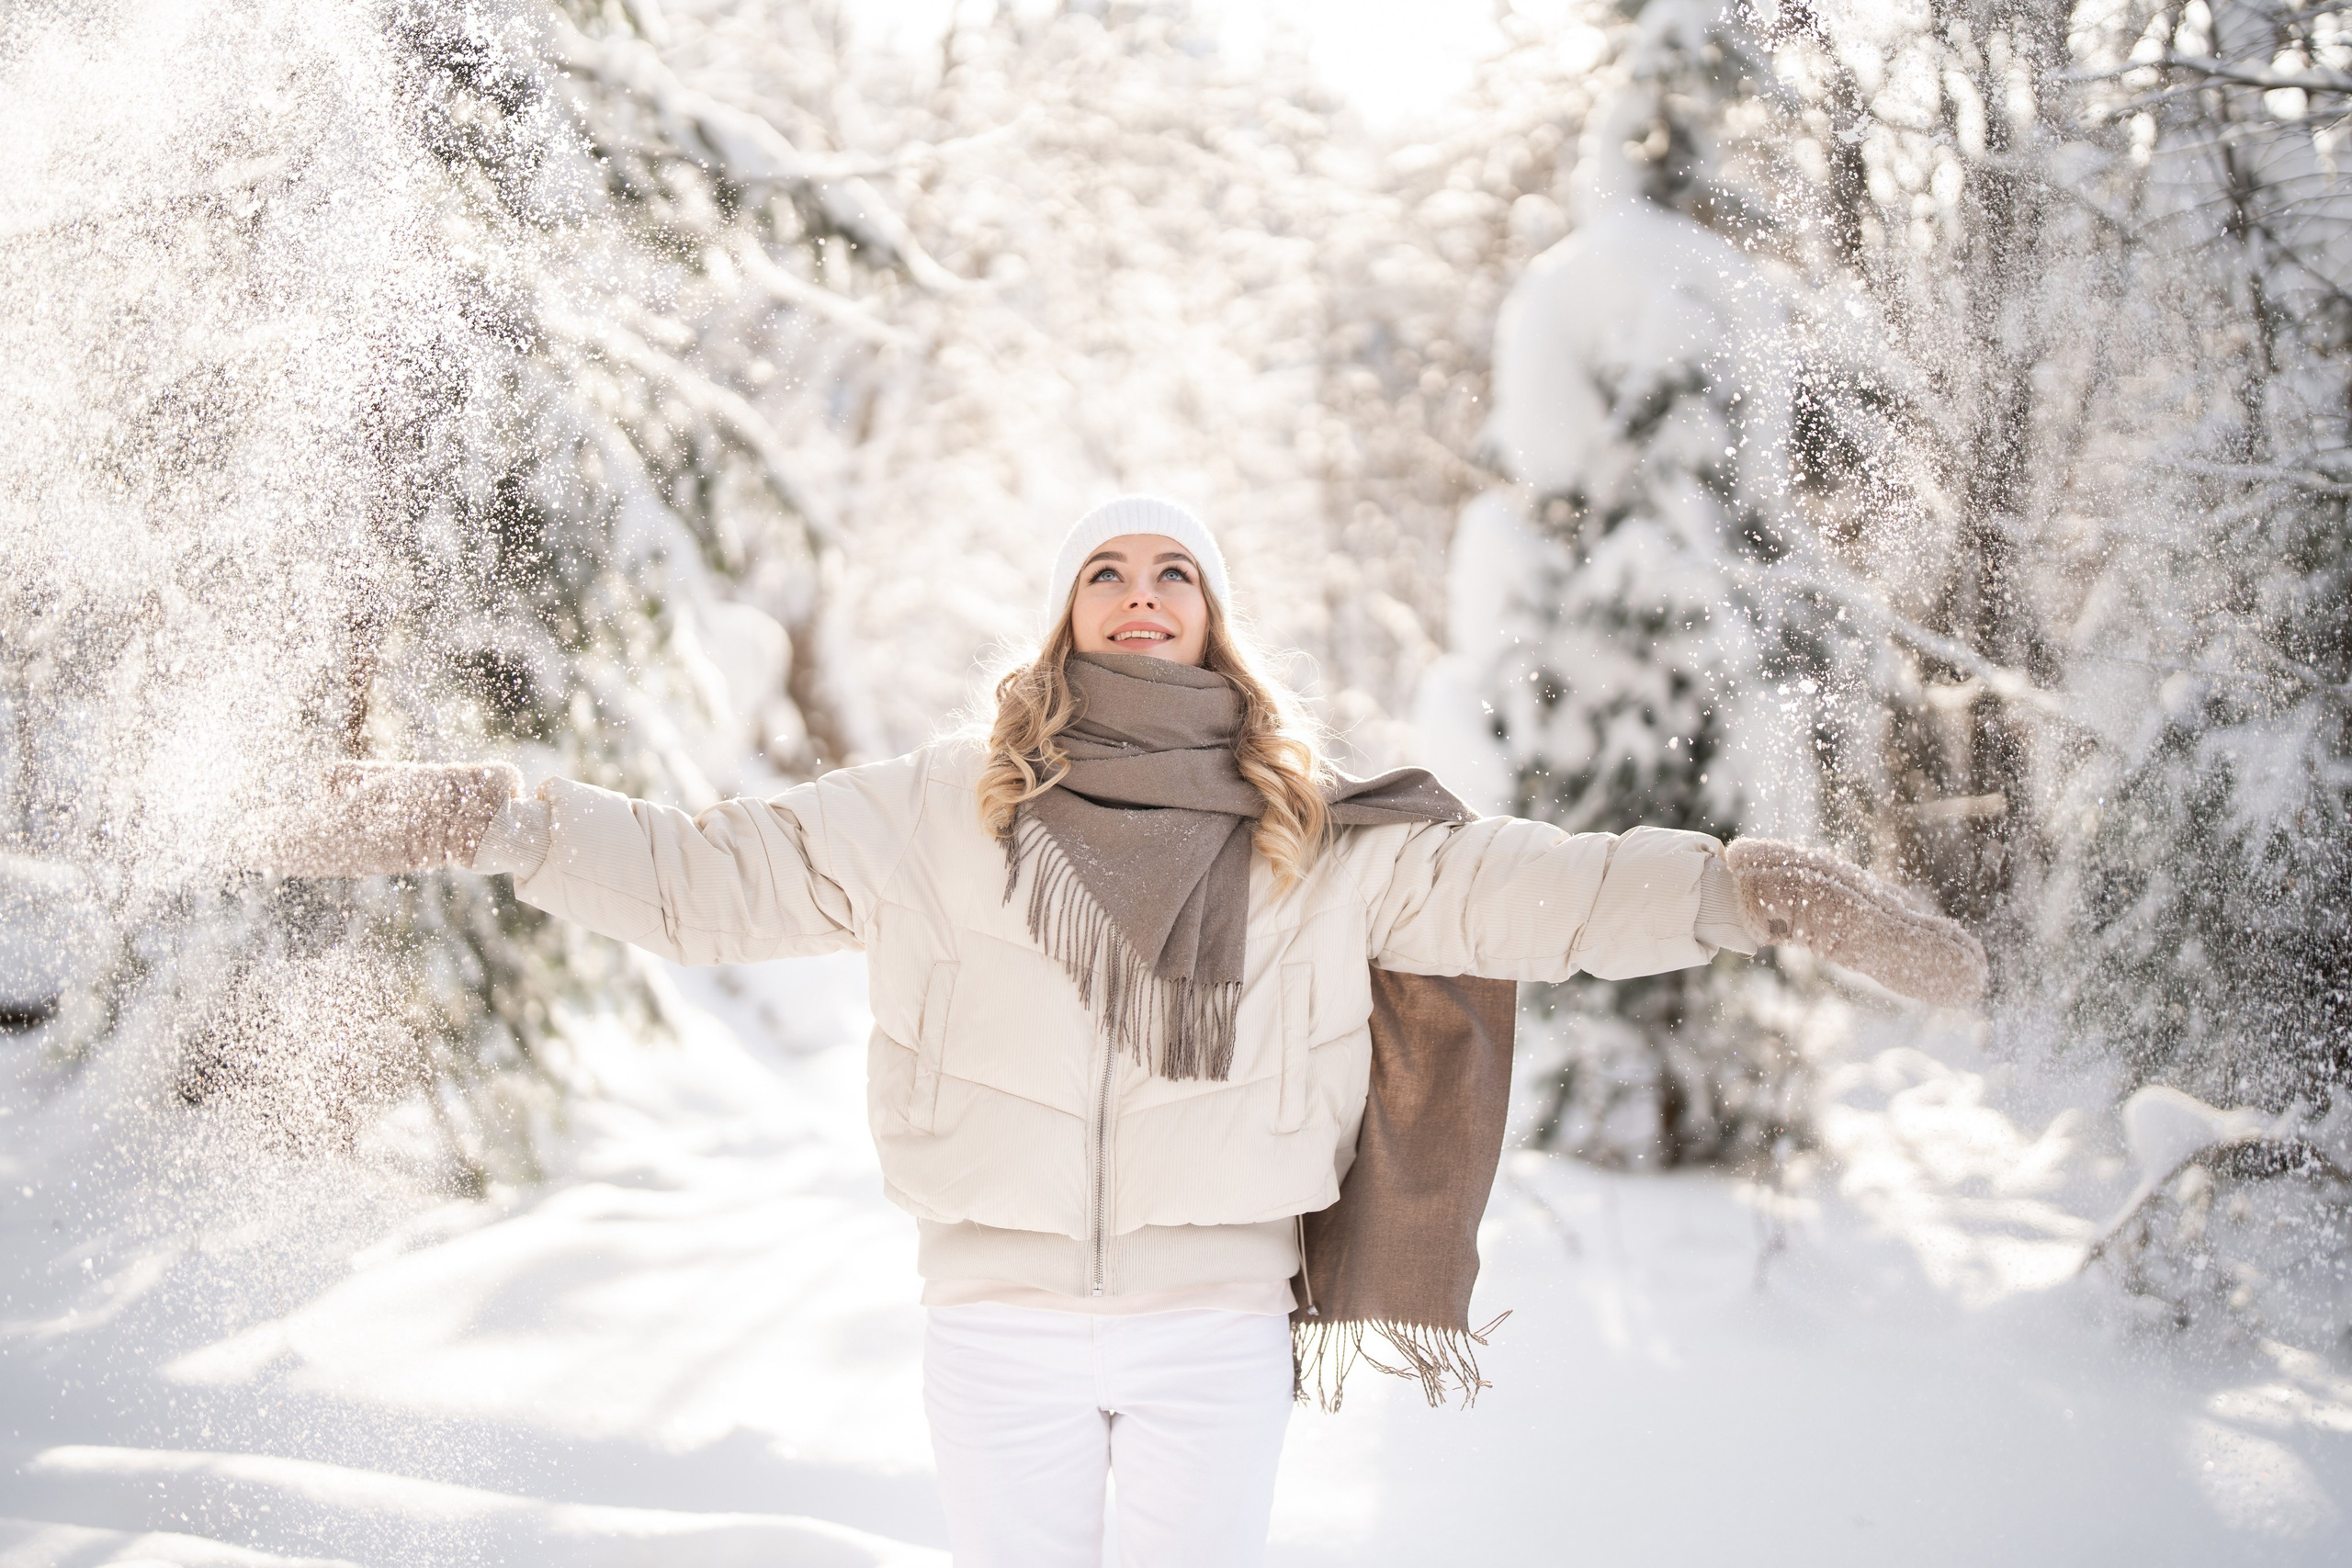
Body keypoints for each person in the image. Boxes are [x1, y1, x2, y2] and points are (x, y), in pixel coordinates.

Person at [275, 495, 1986, 1567]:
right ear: (1065, 613)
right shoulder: (940, 808)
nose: (1144, 593)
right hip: (996, 1313)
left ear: (1217, 619)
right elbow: (705, 882)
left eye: (1178, 572)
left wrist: (1739, 884)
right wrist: (498, 813)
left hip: (1212, 1318)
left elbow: (1529, 892)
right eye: (1109, 569)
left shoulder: (1315, 832)